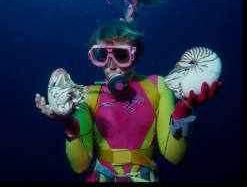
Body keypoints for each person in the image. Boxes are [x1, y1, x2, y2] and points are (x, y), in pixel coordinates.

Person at [35, 21, 222, 182]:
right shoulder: (86, 94)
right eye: (102, 55)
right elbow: (80, 165)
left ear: (135, 55)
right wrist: (68, 123)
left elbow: (174, 156)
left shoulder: (157, 86)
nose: (110, 65)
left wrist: (184, 110)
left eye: (121, 55)